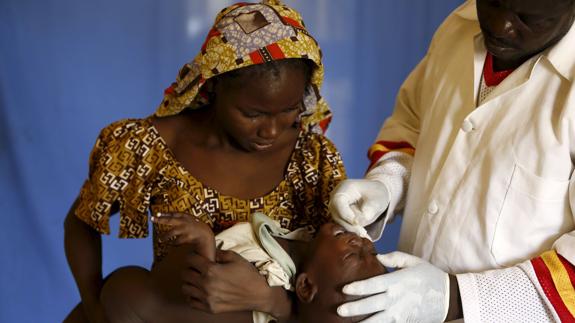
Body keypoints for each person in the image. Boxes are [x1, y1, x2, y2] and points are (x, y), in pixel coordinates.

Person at [63, 1, 346, 322]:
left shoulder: (312, 159)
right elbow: (82, 222)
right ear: (212, 85)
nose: (271, 130)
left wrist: (272, 301)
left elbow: (339, 278)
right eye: (252, 113)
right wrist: (93, 306)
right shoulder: (148, 146)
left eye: (289, 110)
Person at [329, 0, 575, 322]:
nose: (500, 26)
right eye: (494, 3)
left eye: (528, 18)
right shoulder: (459, 26)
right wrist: (389, 182)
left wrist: (453, 297)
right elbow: (414, 125)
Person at [99, 212, 386, 323]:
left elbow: (211, 283)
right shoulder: (303, 240)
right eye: (371, 249)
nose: (360, 242)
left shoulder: (266, 278)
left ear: (306, 286)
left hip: (132, 309)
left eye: (353, 256)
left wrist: (204, 240)